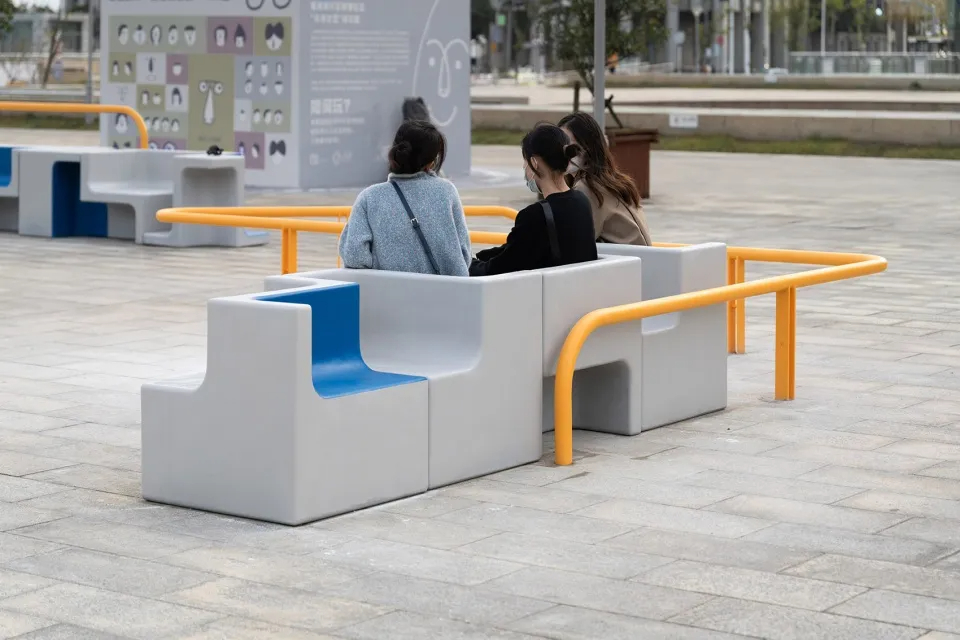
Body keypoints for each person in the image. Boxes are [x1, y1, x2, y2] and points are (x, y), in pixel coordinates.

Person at [339, 121, 471, 276]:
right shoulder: (446, 191)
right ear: (431, 161)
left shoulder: (369, 197)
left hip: (389, 290)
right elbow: (463, 254)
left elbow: (354, 256)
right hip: (446, 289)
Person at [470, 123, 597, 277]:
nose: (524, 167)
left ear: (534, 163)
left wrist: (468, 263)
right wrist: (483, 255)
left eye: (525, 161)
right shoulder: (582, 202)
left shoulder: (535, 215)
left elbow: (498, 268)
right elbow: (517, 249)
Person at [558, 112, 652, 246]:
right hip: (640, 256)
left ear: (589, 148)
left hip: (627, 258)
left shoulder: (587, 188)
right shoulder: (611, 180)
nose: (564, 154)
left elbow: (574, 244)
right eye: (559, 147)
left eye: (571, 148)